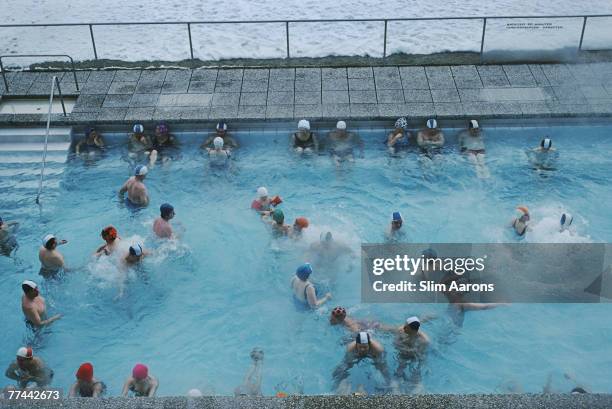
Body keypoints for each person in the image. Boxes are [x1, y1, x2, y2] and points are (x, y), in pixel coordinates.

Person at [379, 317, 429, 382]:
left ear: (413, 330)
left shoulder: (424, 340)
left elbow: (420, 353)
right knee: (400, 369)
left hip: (416, 357)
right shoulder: (401, 330)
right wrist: (405, 349)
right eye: (404, 325)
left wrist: (407, 349)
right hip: (404, 354)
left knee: (417, 371)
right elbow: (395, 343)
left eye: (406, 327)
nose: (403, 328)